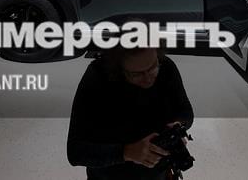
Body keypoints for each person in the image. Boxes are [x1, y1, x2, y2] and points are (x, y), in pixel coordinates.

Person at [67, 46, 194, 179]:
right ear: (118, 66)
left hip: (159, 174)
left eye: (152, 68)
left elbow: (186, 112)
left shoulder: (165, 66)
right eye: (137, 74)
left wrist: (178, 125)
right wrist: (126, 152)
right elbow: (75, 152)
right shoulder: (97, 76)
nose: (148, 78)